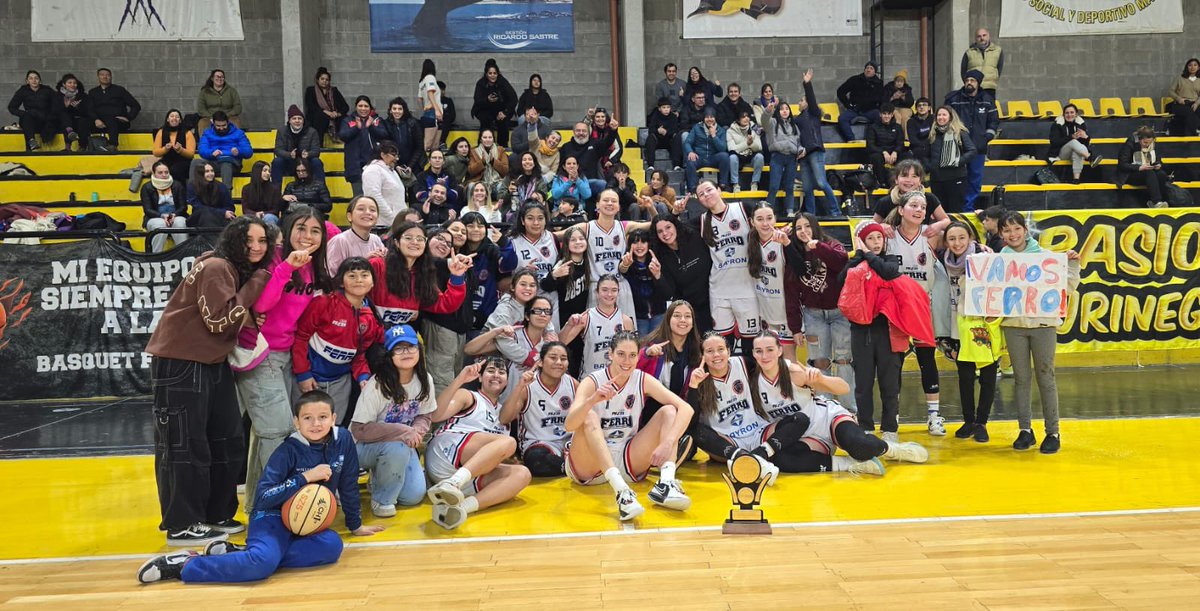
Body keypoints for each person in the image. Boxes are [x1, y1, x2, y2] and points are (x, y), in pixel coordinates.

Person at [136, 391, 384, 583]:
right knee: (261, 567)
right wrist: (304, 478)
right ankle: (186, 565)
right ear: (296, 422)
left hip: (305, 523)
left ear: (333, 418)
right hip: (271, 516)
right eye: (307, 418)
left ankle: (246, 553)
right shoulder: (288, 450)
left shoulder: (343, 444)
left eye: (322, 418)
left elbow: (349, 484)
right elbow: (263, 498)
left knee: (332, 547)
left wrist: (355, 524)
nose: (316, 424)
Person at [144, 216, 272, 546]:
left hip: (212, 362)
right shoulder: (217, 266)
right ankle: (183, 523)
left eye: (262, 241)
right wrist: (256, 283)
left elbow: (230, 315)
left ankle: (216, 513)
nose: (257, 247)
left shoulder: (229, 270)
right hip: (181, 362)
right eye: (249, 240)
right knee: (185, 445)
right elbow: (219, 321)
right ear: (234, 241)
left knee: (226, 440)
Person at [236, 207, 330, 512]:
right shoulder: (274, 258)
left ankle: (256, 504)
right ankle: (276, 505)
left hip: (287, 354)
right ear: (288, 230)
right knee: (275, 430)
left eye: (315, 231)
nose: (307, 236)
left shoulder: (317, 266)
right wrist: (287, 267)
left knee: (268, 432)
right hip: (260, 353)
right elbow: (262, 303)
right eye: (301, 229)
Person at [751, 334, 928, 475]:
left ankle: (892, 450)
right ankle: (850, 465)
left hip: (826, 420)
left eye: (769, 350)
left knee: (860, 446)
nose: (764, 356)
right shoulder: (753, 381)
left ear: (780, 350)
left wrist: (821, 378)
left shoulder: (794, 373)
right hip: (803, 436)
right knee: (781, 460)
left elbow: (844, 388)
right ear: (753, 354)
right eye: (759, 351)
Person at [563, 331, 695, 521]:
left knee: (669, 412)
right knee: (589, 416)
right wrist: (592, 400)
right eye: (621, 354)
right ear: (610, 354)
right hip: (589, 464)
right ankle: (622, 493)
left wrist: (668, 442)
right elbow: (570, 425)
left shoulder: (642, 379)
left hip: (626, 456)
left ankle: (666, 483)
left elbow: (686, 409)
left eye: (632, 355)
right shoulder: (592, 381)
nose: (627, 361)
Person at [839, 221, 933, 440]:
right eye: (870, 239)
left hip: (889, 331)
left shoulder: (889, 259)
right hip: (861, 332)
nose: (875, 243)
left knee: (889, 382)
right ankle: (866, 425)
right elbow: (841, 280)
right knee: (863, 382)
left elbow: (889, 272)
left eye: (879, 238)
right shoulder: (854, 262)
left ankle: (890, 427)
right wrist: (858, 256)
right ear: (862, 241)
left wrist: (867, 256)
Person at [997, 212, 1080, 454]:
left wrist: (1073, 263)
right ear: (1001, 234)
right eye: (1007, 230)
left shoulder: (1046, 258)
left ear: (1025, 230)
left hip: (1043, 325)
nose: (1012, 234)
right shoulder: (998, 263)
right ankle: (1025, 430)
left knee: (1046, 377)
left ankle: (1052, 432)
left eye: (1016, 229)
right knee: (1021, 379)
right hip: (1014, 326)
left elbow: (1068, 286)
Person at [425, 358, 532, 529]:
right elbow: (436, 416)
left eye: (501, 372)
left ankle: (460, 509)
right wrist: (460, 379)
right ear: (480, 378)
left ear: (506, 380)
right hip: (445, 452)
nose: (496, 375)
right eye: (490, 370)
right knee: (508, 443)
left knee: (522, 474)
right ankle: (452, 483)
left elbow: (493, 451)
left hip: (467, 474)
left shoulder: (503, 413)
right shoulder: (468, 396)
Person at [686, 333, 811, 479]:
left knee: (801, 419)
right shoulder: (698, 378)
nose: (716, 355)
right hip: (727, 441)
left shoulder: (742, 363)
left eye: (721, 349)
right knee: (694, 429)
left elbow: (772, 367)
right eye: (709, 351)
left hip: (758, 432)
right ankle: (744, 457)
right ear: (703, 356)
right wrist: (693, 386)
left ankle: (757, 456)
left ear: (729, 351)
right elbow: (692, 421)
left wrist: (803, 377)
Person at [350, 324, 434, 515]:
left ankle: (379, 477)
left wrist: (417, 432)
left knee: (412, 497)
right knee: (397, 447)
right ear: (389, 355)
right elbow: (359, 430)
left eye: (411, 347)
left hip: (402, 445)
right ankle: (381, 501)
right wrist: (403, 431)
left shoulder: (425, 380)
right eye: (399, 348)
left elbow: (425, 414)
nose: (406, 352)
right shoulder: (377, 385)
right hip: (362, 447)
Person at [883, 192, 947, 436]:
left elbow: (961, 235)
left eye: (923, 206)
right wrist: (878, 226)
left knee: (927, 361)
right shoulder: (887, 236)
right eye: (913, 205)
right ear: (901, 210)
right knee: (895, 364)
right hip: (896, 308)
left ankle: (933, 416)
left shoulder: (931, 235)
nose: (919, 210)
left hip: (923, 306)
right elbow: (861, 234)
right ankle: (893, 416)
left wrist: (942, 223)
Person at [293, 256, 382, 425]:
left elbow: (359, 356)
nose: (359, 280)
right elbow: (301, 337)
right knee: (303, 429)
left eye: (364, 275)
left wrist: (364, 378)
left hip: (341, 383)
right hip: (310, 379)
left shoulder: (370, 318)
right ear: (341, 281)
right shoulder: (323, 303)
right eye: (352, 275)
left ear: (372, 283)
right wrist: (303, 374)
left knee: (332, 429)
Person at [937, 221, 1002, 443]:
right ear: (946, 241)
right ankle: (969, 420)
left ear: (971, 238)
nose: (957, 243)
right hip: (957, 326)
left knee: (987, 376)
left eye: (962, 237)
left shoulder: (984, 258)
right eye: (952, 238)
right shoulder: (941, 260)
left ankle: (982, 422)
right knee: (964, 377)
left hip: (982, 325)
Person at [783, 213, 854, 411]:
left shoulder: (831, 244)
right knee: (818, 362)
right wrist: (796, 328)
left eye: (807, 226)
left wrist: (818, 247)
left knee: (844, 359)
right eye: (798, 228)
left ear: (815, 227)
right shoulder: (793, 256)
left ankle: (849, 410)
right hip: (813, 315)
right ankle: (824, 409)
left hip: (840, 313)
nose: (803, 231)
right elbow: (791, 294)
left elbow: (841, 262)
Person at [695, 181, 759, 356]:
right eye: (701, 194)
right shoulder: (701, 221)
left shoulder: (743, 208)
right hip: (719, 290)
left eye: (709, 190)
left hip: (747, 288)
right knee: (723, 344)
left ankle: (749, 380)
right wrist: (676, 211)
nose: (706, 195)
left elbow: (764, 224)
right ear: (699, 200)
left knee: (750, 345)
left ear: (719, 190)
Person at [368, 220, 471, 327]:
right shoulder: (377, 265)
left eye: (420, 239)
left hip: (400, 338)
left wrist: (457, 276)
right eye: (408, 238)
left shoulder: (423, 275)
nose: (415, 242)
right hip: (369, 335)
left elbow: (446, 304)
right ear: (397, 242)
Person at [503, 342, 576, 478]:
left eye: (563, 359)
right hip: (539, 443)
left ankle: (567, 465)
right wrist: (519, 387)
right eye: (553, 357)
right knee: (536, 460)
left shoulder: (573, 384)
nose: (559, 362)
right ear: (541, 362)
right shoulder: (528, 386)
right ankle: (571, 468)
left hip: (568, 442)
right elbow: (504, 419)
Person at [650, 214, 714, 333]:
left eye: (668, 227)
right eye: (660, 231)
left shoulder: (693, 235)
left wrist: (675, 211)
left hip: (713, 300)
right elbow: (669, 293)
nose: (665, 233)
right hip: (690, 311)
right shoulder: (660, 256)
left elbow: (710, 214)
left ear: (676, 226)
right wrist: (658, 275)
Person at [944, 70, 998, 211]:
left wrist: (986, 137)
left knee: (974, 180)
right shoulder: (953, 99)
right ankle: (955, 208)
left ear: (978, 83)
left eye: (972, 80)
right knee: (956, 179)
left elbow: (993, 122)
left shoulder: (987, 99)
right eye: (967, 80)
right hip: (957, 146)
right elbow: (944, 119)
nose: (969, 83)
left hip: (978, 148)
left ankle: (967, 209)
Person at [561, 275, 635, 375]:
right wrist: (568, 325)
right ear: (596, 292)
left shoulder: (625, 320)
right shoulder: (586, 317)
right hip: (591, 377)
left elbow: (632, 352)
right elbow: (560, 342)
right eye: (604, 290)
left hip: (617, 378)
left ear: (618, 292)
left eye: (614, 290)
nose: (609, 294)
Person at [637, 301, 703, 412]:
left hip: (680, 412)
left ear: (692, 323)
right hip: (649, 413)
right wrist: (646, 355)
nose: (682, 320)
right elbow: (632, 371)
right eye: (677, 315)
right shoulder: (652, 346)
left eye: (687, 316)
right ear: (668, 319)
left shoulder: (696, 351)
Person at [499, 201, 560, 317]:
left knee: (551, 335)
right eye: (530, 218)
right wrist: (523, 273)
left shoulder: (553, 239)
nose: (536, 223)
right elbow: (501, 284)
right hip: (520, 301)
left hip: (549, 300)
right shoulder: (511, 242)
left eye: (540, 218)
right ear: (522, 221)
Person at [794, 69, 840, 216]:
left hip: (815, 151)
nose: (799, 103)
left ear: (807, 102)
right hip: (804, 155)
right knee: (807, 188)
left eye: (801, 100)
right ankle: (811, 216)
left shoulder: (813, 113)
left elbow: (812, 99)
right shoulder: (798, 118)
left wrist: (807, 84)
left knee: (821, 183)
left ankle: (835, 211)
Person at [749, 203, 793, 353]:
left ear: (775, 219)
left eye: (769, 218)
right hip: (764, 312)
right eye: (760, 219)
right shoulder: (750, 243)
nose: (765, 223)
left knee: (788, 362)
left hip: (786, 312)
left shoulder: (784, 241)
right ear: (752, 222)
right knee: (770, 362)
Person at [542, 226, 590, 345]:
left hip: (583, 319)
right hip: (564, 321)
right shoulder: (562, 264)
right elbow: (545, 286)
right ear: (566, 244)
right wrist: (554, 275)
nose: (578, 242)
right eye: (573, 240)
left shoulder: (589, 263)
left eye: (581, 238)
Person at [871, 160, 950, 232]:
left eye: (914, 176)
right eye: (904, 176)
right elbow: (871, 227)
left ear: (920, 180)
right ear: (896, 180)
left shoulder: (929, 198)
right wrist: (882, 226)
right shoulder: (885, 202)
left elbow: (946, 221)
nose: (909, 180)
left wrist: (937, 225)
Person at [925, 106, 976, 213]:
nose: (941, 117)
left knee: (955, 211)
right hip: (937, 179)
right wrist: (931, 166)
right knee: (940, 212)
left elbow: (972, 151)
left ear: (950, 117)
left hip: (956, 177)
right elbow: (926, 155)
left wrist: (957, 161)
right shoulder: (932, 134)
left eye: (944, 115)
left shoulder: (960, 132)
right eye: (939, 115)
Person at [460, 212, 504, 334]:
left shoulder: (492, 250)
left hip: (486, 315)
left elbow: (509, 264)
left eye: (480, 226)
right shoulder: (456, 251)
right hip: (458, 320)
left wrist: (504, 243)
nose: (475, 230)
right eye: (470, 226)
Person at [761, 97, 804, 215]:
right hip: (777, 157)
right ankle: (768, 212)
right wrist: (768, 110)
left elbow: (799, 142)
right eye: (781, 109)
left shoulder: (794, 126)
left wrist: (801, 150)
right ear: (777, 111)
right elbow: (764, 120)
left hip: (792, 158)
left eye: (786, 109)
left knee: (790, 187)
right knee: (774, 186)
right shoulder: (772, 123)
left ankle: (790, 212)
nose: (784, 111)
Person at [325, 196, 387, 276]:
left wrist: (386, 256)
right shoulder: (340, 241)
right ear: (349, 216)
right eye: (361, 209)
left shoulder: (376, 239)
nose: (368, 212)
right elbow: (331, 276)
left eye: (372, 210)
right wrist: (363, 261)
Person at [339, 96, 387, 197]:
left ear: (370, 108)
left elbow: (384, 135)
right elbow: (343, 136)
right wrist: (357, 127)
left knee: (374, 198)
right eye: (360, 106)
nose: (363, 108)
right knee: (359, 199)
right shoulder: (347, 120)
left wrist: (371, 127)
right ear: (356, 107)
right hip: (355, 168)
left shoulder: (377, 120)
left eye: (366, 106)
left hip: (373, 165)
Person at [1115, 126, 1171, 208]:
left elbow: (1157, 160)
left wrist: (1158, 165)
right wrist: (1139, 167)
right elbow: (1122, 164)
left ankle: (1158, 201)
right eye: (1145, 143)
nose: (1147, 145)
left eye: (1149, 143)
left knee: (1161, 174)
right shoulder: (1131, 143)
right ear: (1139, 139)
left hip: (1148, 170)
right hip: (1130, 173)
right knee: (1149, 173)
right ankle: (1156, 202)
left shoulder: (1153, 144)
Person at [141, 160, 189, 253]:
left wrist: (174, 214)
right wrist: (162, 215)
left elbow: (183, 207)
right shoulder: (146, 187)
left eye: (166, 172)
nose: (164, 175)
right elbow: (147, 210)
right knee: (160, 225)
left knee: (180, 223)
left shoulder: (177, 185)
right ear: (154, 173)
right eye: (160, 172)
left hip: (176, 215)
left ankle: (183, 255)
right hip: (155, 216)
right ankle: (156, 256)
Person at [88, 68, 140, 152]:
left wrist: (128, 118)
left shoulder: (119, 90)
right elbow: (89, 109)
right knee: (82, 121)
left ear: (111, 77)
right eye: (102, 75)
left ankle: (112, 145)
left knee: (111, 119)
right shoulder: (93, 92)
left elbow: (136, 106)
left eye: (107, 75)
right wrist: (96, 119)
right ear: (98, 77)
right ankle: (82, 146)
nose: (105, 77)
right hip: (99, 123)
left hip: (118, 123)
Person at [195, 111, 252, 186]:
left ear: (228, 122)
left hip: (232, 163)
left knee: (225, 162)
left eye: (224, 125)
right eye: (218, 126)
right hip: (214, 162)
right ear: (213, 123)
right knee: (195, 163)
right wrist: (211, 153)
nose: (221, 128)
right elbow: (202, 150)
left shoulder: (238, 133)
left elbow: (249, 151)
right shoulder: (207, 133)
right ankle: (193, 194)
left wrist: (239, 151)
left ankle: (226, 194)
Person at [1047, 103, 1101, 183]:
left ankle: (1076, 179)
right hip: (1060, 153)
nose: (1069, 115)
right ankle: (1090, 158)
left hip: (1077, 151)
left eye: (1072, 112)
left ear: (1076, 114)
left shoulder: (1080, 124)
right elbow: (1054, 142)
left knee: (1077, 151)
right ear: (1063, 114)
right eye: (1067, 113)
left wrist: (1086, 138)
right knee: (1073, 142)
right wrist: (1071, 137)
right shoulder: (1057, 124)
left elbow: (1083, 146)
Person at [471, 58, 518, 147]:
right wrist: (487, 100)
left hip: (501, 109)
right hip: (484, 109)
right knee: (486, 120)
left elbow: (513, 99)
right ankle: (484, 145)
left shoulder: (503, 82)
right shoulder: (480, 83)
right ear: (486, 74)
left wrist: (505, 112)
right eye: (490, 73)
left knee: (503, 121)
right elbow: (477, 101)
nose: (492, 76)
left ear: (498, 73)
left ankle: (502, 146)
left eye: (494, 73)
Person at [270, 105, 323, 183]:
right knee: (277, 161)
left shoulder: (312, 131)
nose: (297, 121)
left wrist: (308, 154)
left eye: (299, 118)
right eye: (294, 118)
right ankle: (276, 192)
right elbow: (278, 150)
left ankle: (321, 191)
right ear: (289, 121)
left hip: (306, 162)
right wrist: (289, 155)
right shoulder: (282, 131)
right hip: (289, 163)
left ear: (303, 120)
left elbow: (316, 151)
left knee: (316, 161)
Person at [362, 140, 407, 229]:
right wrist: (392, 217)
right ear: (383, 155)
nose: (397, 159)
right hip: (383, 225)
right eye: (394, 155)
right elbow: (374, 197)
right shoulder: (372, 170)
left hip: (397, 223)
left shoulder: (391, 171)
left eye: (397, 155)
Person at [560, 121, 611, 198]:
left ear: (588, 132)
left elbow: (607, 143)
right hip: (569, 182)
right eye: (578, 130)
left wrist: (613, 131)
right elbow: (560, 166)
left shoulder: (595, 144)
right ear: (573, 132)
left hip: (590, 182)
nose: (581, 133)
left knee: (602, 184)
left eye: (584, 131)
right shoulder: (566, 147)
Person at [8, 70, 56, 150]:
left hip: (44, 120)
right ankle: (31, 141)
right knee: (27, 116)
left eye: (36, 78)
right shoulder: (23, 91)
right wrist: (24, 114)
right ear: (27, 81)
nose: (34, 80)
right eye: (31, 78)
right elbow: (12, 107)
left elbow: (57, 103)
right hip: (30, 121)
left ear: (40, 81)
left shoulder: (47, 90)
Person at [836, 62, 883, 142]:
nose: (868, 70)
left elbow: (881, 98)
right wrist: (848, 105)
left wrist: (878, 108)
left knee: (880, 117)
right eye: (867, 68)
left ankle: (873, 140)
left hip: (870, 110)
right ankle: (851, 139)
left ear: (875, 72)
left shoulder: (879, 83)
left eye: (871, 68)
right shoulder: (855, 79)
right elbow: (840, 91)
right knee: (842, 118)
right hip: (855, 109)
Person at [684, 111, 729, 193]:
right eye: (707, 117)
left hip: (713, 157)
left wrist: (714, 136)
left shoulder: (721, 130)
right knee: (690, 160)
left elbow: (722, 148)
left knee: (725, 156)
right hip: (700, 157)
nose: (709, 119)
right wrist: (690, 151)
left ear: (715, 118)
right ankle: (693, 188)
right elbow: (687, 142)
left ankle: (723, 184)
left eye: (711, 117)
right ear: (704, 119)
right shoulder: (697, 128)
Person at [304, 67, 349, 144]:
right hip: (318, 117)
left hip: (334, 116)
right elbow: (311, 106)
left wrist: (337, 113)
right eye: (322, 79)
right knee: (320, 116)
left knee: (346, 119)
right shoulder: (310, 90)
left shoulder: (334, 91)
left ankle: (345, 142)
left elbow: (345, 107)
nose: (324, 81)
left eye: (327, 80)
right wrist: (326, 112)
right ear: (318, 80)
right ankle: (318, 144)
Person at [381, 96, 424, 174]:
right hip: (394, 165)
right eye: (394, 109)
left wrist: (410, 166)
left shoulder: (413, 123)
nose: (397, 111)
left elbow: (419, 147)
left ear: (404, 110)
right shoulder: (386, 124)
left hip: (414, 166)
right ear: (390, 110)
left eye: (400, 109)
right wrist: (396, 165)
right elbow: (386, 148)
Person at [865, 103, 905, 187]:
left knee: (906, 156)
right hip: (879, 152)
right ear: (880, 114)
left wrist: (895, 152)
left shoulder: (897, 127)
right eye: (884, 114)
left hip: (893, 152)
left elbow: (900, 142)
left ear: (892, 115)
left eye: (888, 114)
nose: (886, 116)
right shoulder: (873, 127)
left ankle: (902, 182)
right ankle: (882, 182)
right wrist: (883, 152)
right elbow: (870, 145)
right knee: (876, 158)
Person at [152, 109, 197, 184]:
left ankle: (180, 191)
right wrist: (165, 149)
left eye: (177, 117)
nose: (174, 118)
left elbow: (191, 154)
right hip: (167, 160)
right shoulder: (161, 132)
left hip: (184, 161)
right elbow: (155, 152)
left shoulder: (188, 133)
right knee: (158, 168)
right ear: (167, 119)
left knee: (175, 170)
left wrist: (181, 150)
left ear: (180, 120)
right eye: (172, 116)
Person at [186, 162, 234, 227]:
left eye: (212, 171)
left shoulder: (221, 186)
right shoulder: (192, 186)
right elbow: (199, 208)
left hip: (220, 218)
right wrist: (222, 213)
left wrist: (223, 213)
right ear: (200, 173)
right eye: (207, 171)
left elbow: (230, 206)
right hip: (200, 217)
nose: (211, 173)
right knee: (207, 216)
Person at [726, 110, 764, 192]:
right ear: (738, 120)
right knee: (732, 158)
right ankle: (735, 184)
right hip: (738, 156)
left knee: (760, 157)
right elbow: (732, 148)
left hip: (751, 155)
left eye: (747, 116)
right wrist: (747, 144)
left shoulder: (754, 128)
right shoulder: (730, 131)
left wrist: (751, 144)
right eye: (743, 117)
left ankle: (755, 183)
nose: (746, 119)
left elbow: (759, 147)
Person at [467, 129, 510, 200]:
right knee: (471, 186)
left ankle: (502, 210)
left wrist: (493, 161)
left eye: (490, 137)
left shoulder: (500, 150)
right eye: (485, 137)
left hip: (496, 182)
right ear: (480, 139)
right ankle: (473, 209)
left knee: (502, 186)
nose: (488, 139)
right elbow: (471, 171)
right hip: (480, 182)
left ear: (493, 139)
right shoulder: (473, 151)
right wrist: (482, 162)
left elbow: (505, 170)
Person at [960, 27, 1003, 98]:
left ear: (988, 36)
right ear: (976, 39)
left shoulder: (998, 51)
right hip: (974, 89)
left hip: (989, 88)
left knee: (989, 108)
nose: (982, 38)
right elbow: (963, 71)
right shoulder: (969, 52)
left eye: (984, 35)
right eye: (979, 36)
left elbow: (999, 68)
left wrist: (992, 79)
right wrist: (969, 83)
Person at [196, 69, 242, 134]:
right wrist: (212, 117)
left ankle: (236, 143)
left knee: (236, 121)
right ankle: (205, 143)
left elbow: (238, 107)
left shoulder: (232, 91)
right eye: (217, 76)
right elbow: (201, 109)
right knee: (202, 123)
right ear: (212, 78)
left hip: (228, 116)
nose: (220, 79)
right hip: (210, 117)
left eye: (222, 77)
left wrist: (226, 116)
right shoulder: (204, 92)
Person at [53, 74, 90, 152]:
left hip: (78, 119)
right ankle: (68, 145)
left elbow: (87, 111)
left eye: (74, 83)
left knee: (82, 121)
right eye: (70, 83)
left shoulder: (83, 95)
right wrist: (65, 106)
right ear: (64, 84)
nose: (73, 85)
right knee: (64, 115)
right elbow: (54, 111)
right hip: (62, 122)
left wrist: (77, 107)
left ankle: (82, 147)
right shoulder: (57, 96)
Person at [645, 98, 683, 171]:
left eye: (668, 107)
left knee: (677, 138)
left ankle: (677, 165)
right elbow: (651, 129)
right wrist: (658, 130)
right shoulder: (655, 116)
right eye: (664, 107)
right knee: (650, 138)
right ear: (659, 108)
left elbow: (675, 129)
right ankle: (650, 165)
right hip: (657, 140)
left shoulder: (673, 117)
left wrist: (666, 132)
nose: (666, 109)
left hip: (669, 140)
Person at [241, 161, 284, 225]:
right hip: (252, 216)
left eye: (269, 171)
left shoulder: (275, 188)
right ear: (257, 172)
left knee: (268, 218)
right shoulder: (246, 189)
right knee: (244, 219)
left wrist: (263, 213)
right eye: (265, 171)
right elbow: (245, 209)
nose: (268, 173)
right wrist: (255, 214)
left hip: (270, 216)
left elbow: (276, 210)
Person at [417, 59, 443, 153]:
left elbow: (419, 98)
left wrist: (425, 108)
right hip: (433, 113)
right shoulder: (430, 77)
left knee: (434, 146)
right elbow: (430, 93)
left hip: (428, 113)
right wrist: (436, 109)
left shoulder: (421, 82)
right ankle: (419, 165)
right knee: (428, 145)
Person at [1168, 58, 1200, 136]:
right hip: (1181, 104)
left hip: (1195, 103)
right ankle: (1191, 136)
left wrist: (1197, 103)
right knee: (1190, 114)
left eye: (1195, 65)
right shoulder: (1180, 78)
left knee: (1194, 112)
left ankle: (1190, 136)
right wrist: (1179, 99)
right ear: (1187, 67)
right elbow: (1170, 91)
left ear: (1198, 67)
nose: (1192, 67)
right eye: (1190, 65)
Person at [882, 70, 914, 137]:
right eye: (897, 81)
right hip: (892, 107)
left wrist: (904, 98)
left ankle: (906, 138)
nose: (899, 83)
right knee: (897, 117)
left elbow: (911, 103)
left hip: (905, 108)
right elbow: (883, 102)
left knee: (905, 118)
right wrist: (892, 98)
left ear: (904, 82)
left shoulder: (907, 89)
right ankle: (897, 137)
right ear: (894, 81)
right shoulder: (888, 88)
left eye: (901, 81)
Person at [906, 97, 935, 163]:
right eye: (919, 105)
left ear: (929, 108)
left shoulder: (934, 119)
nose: (921, 107)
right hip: (917, 149)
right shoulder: (911, 122)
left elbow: (934, 136)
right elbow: (913, 139)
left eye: (924, 105)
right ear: (916, 109)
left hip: (931, 147)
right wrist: (924, 146)